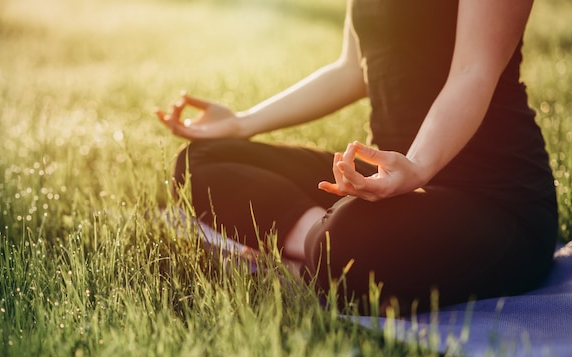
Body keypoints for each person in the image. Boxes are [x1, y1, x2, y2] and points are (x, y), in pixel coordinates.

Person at [155, 0, 559, 315]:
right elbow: (353, 70)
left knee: (351, 237)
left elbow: (474, 71)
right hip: (385, 183)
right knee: (198, 162)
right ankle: (317, 251)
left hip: (496, 201)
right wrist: (244, 122)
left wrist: (417, 166)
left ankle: (302, 257)